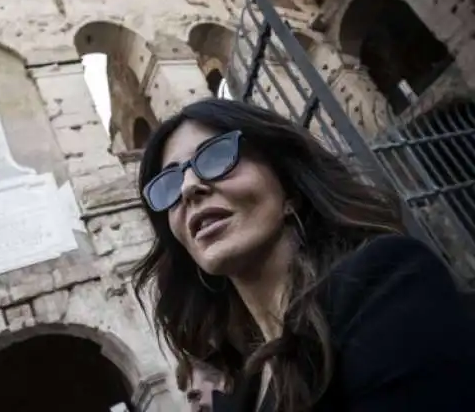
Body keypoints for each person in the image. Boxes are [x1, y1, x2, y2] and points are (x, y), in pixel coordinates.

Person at [131, 98, 475, 412]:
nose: (189, 187)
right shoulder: (239, 390)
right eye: (169, 184)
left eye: (218, 156)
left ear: (290, 188)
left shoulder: (387, 284)